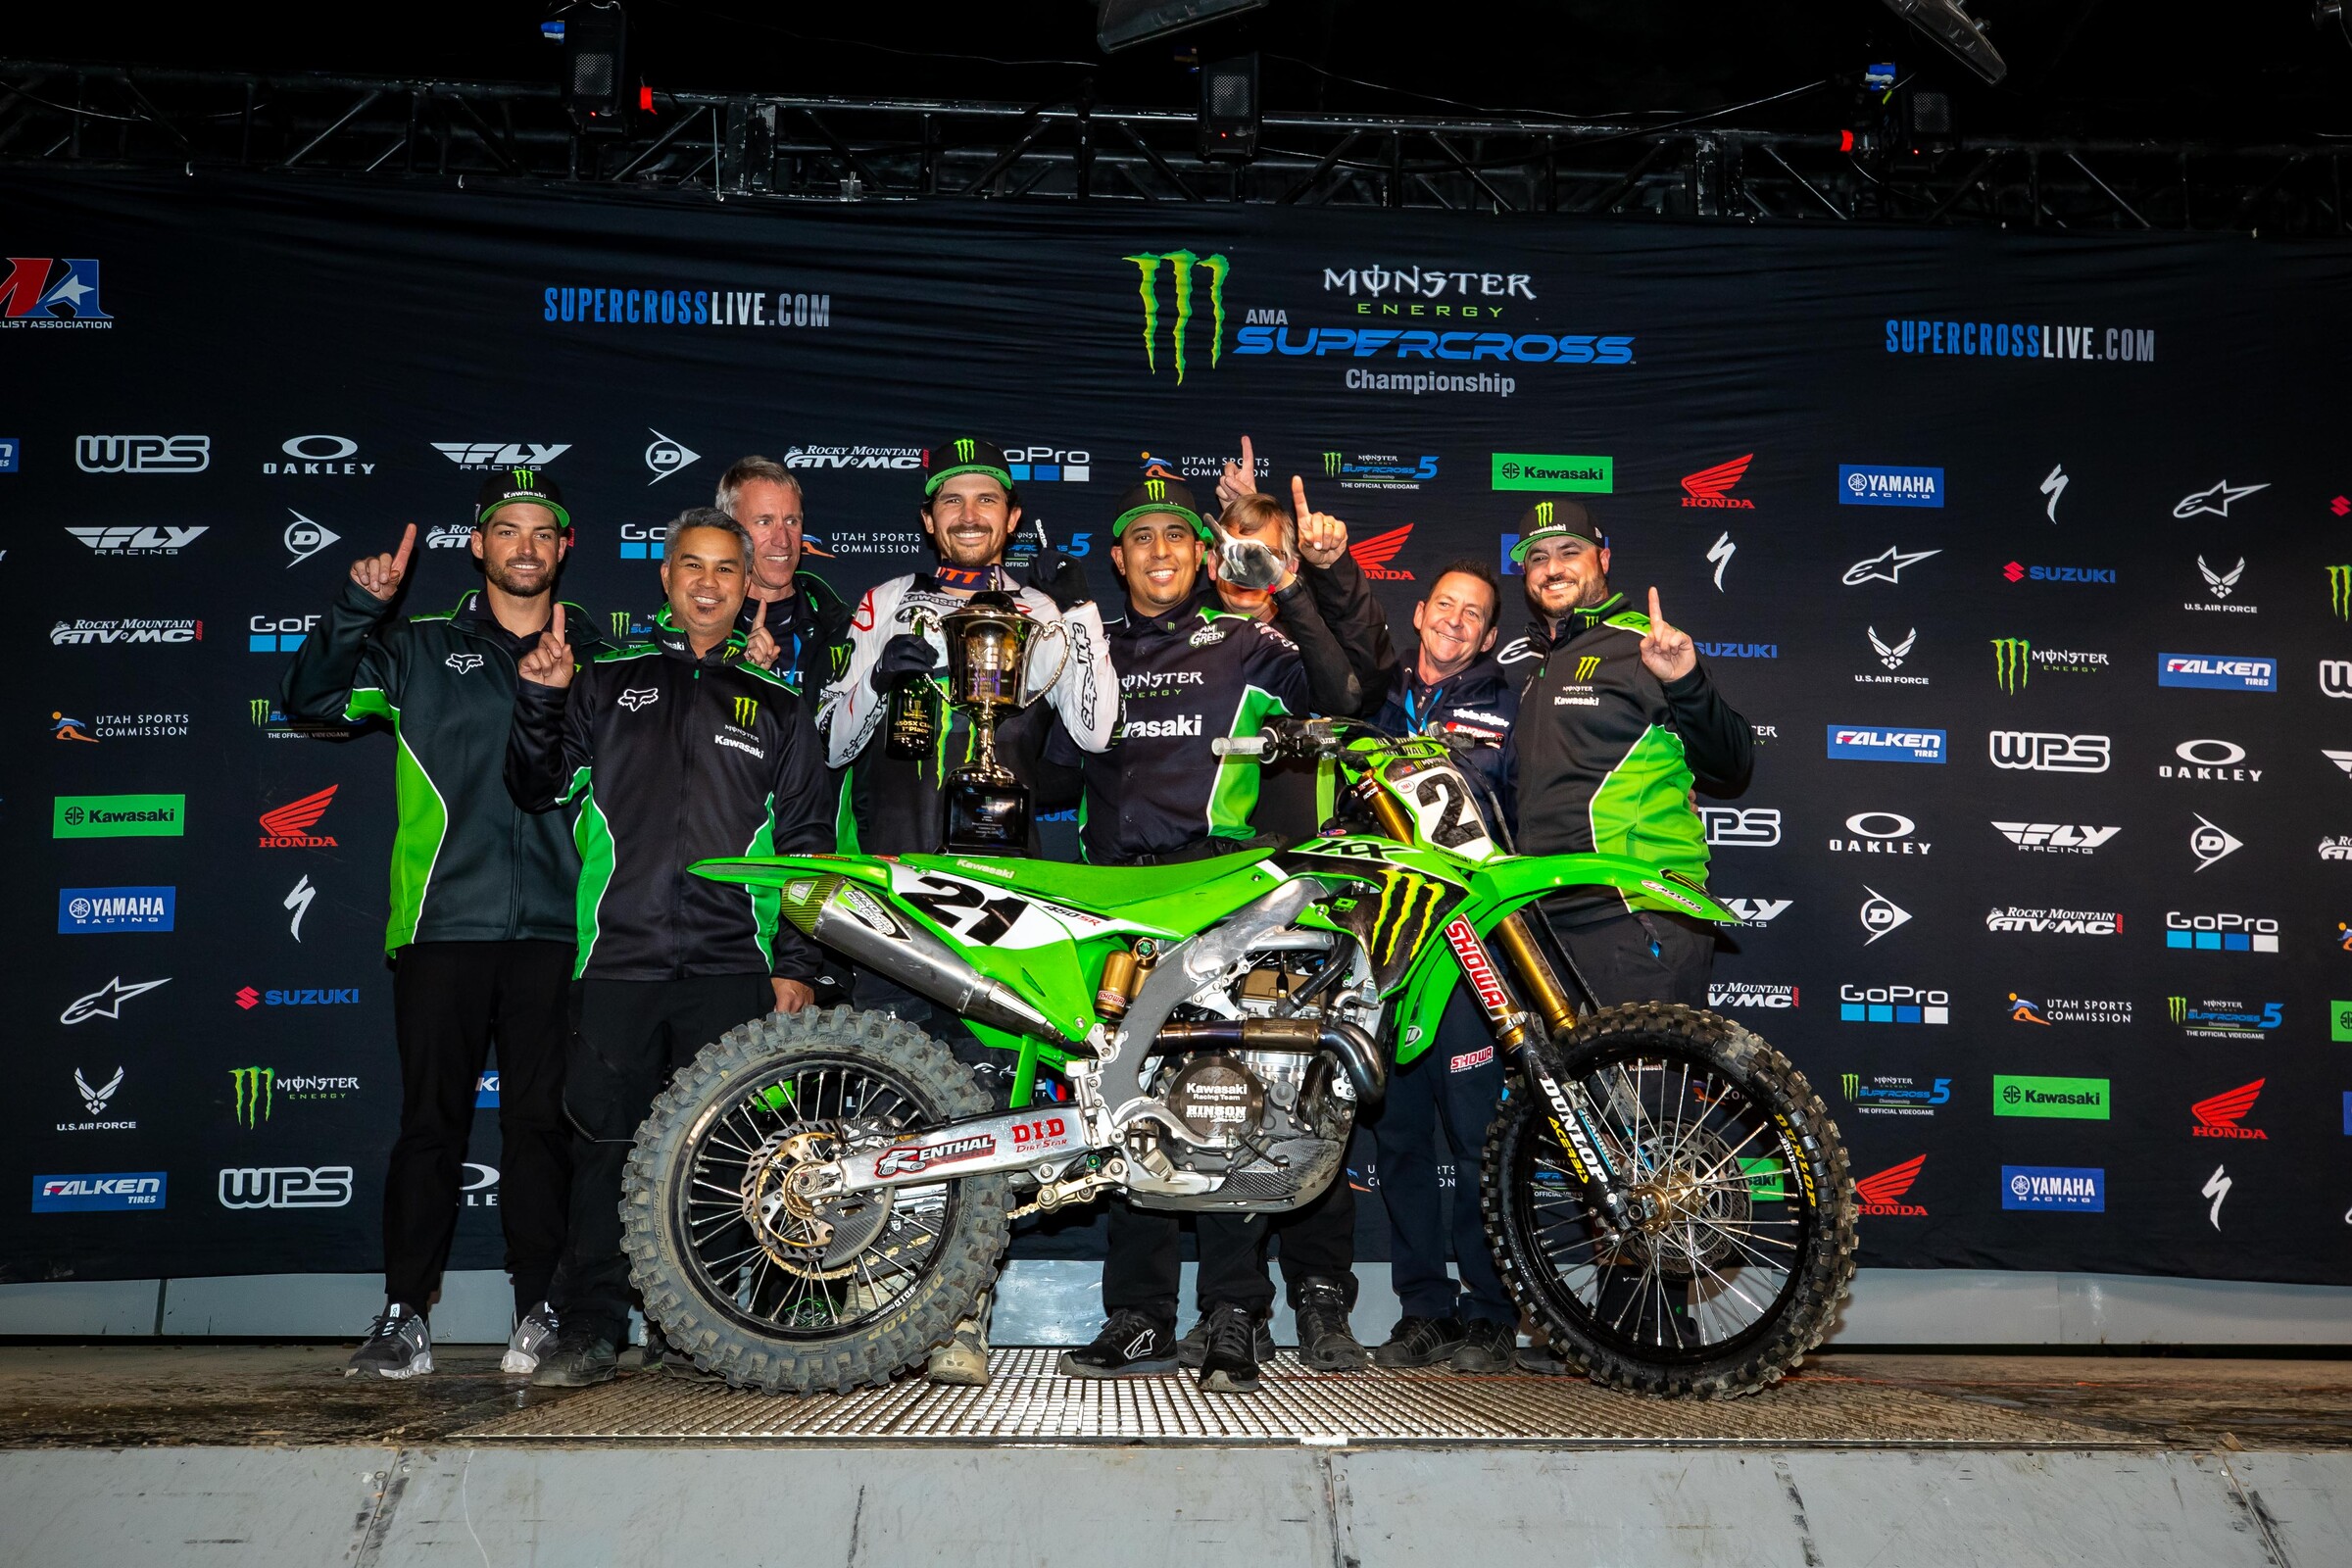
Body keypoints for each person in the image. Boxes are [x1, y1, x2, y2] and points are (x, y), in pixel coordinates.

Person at [280, 468, 608, 1381]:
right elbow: (308, 704)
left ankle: (540, 1308)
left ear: (564, 550)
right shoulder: (416, 649)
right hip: (441, 929)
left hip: (554, 930)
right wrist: (357, 607)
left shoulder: (594, 656)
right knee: (432, 1126)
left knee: (542, 1127)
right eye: (509, 531)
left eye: (544, 533)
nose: (527, 547)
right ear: (481, 546)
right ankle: (402, 1315)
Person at [1048, 480, 1366, 1395]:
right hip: (1116, 906)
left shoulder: (1250, 641)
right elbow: (1044, 774)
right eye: (1138, 538)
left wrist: (1299, 586)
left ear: (1201, 557)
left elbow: (1348, 693)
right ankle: (1139, 1315)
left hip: (1226, 899)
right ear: (1118, 558)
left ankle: (1235, 1311)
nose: (1156, 552)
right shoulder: (1091, 652)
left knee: (1234, 1102)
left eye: (1174, 540)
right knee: (1124, 1102)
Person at [816, 435, 1119, 1385]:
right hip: (896, 888)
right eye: (953, 502)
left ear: (1012, 518)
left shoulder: (1036, 608)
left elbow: (1097, 730)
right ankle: (871, 1306)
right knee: (882, 1095)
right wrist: (875, 677)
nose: (970, 516)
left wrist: (1080, 617)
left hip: (1002, 893)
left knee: (982, 1108)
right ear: (928, 516)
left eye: (987, 501)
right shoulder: (881, 602)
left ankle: (960, 1317)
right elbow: (828, 743)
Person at [506, 508, 831, 1388]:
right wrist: (540, 698)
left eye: (728, 569)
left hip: (733, 968)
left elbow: (808, 850)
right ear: (665, 574)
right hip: (618, 963)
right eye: (692, 565)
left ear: (746, 583)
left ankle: (718, 1329)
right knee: (604, 1152)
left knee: (732, 1156)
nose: (709, 583)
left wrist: (796, 966)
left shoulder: (778, 705)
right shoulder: (603, 682)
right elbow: (535, 786)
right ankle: (590, 1327)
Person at [1499, 499, 1751, 1371]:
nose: (1552, 566)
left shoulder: (1640, 648)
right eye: (1537, 558)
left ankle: (1663, 1324)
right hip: (1553, 923)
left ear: (1603, 557)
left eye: (1568, 550)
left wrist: (1684, 681)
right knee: (1594, 1129)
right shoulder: (1539, 666)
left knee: (1654, 1126)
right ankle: (1620, 1311)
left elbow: (1732, 763)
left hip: (1637, 910)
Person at [1363, 560, 1524, 1373]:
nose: (1457, 621)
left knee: (1476, 1141)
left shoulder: (1512, 706)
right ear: (1419, 613)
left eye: (1476, 614)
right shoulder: (1371, 691)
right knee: (1398, 1142)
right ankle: (1423, 1309)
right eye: (1446, 606)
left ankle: (1494, 1313)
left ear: (1491, 635)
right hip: (1382, 948)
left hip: (1469, 952)